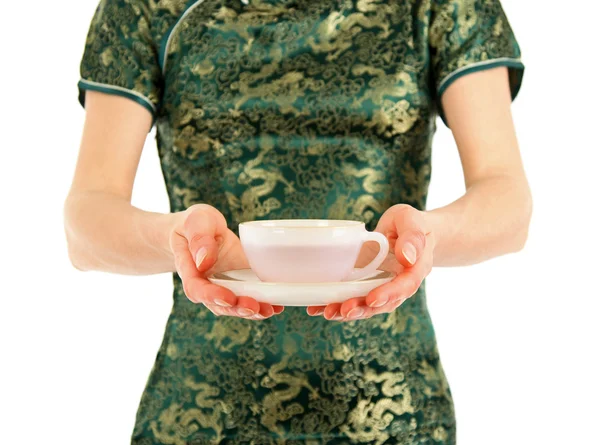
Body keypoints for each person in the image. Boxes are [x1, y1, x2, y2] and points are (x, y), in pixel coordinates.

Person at [64, 0, 532, 443]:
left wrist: (421, 238)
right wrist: (179, 240)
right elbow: (87, 223)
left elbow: (507, 202)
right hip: (200, 415)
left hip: (395, 413)